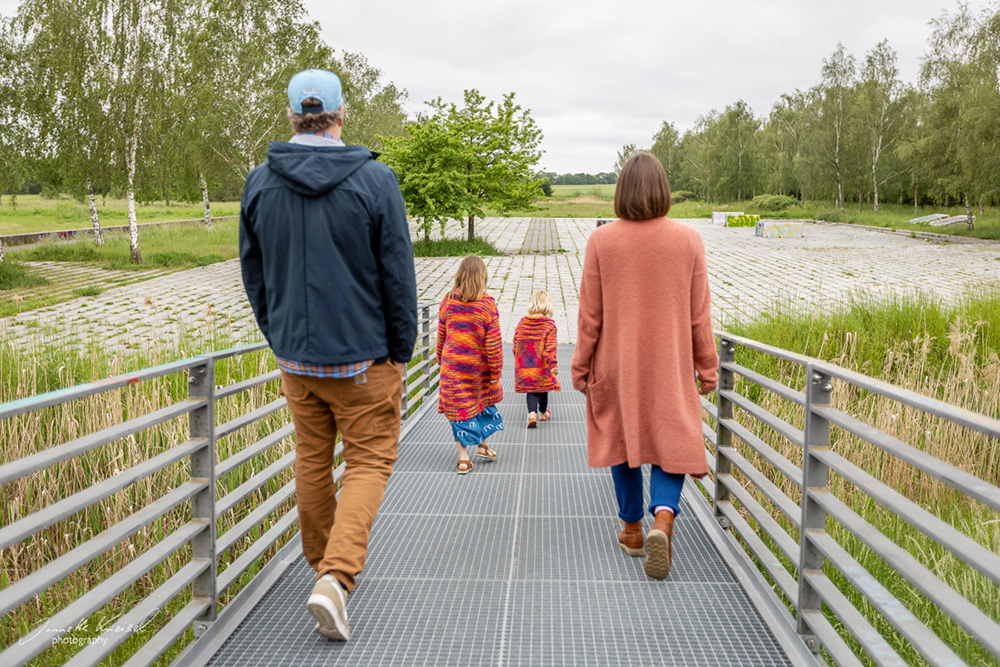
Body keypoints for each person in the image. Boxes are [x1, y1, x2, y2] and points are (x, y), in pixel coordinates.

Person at [239, 68, 417, 641]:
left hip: (298, 361)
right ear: (341, 115)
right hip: (364, 358)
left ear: (293, 116)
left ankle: (323, 572)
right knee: (368, 463)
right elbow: (397, 273)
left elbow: (255, 275)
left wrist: (280, 336)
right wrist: (401, 348)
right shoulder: (374, 180)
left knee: (312, 461)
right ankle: (336, 580)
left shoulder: (260, 183)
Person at [570, 153, 718, 580]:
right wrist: (708, 368)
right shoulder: (689, 241)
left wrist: (580, 366)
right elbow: (699, 317)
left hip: (616, 363)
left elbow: (590, 316)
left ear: (621, 192)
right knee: (675, 438)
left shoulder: (601, 241)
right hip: (670, 364)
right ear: (663, 191)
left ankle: (633, 530)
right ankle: (664, 518)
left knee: (622, 437)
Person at [436, 255, 504, 473]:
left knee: (459, 410)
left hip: (452, 367)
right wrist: (496, 371)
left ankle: (465, 456)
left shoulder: (447, 301)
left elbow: (441, 338)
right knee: (481, 403)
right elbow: (493, 345)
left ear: (460, 275)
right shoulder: (487, 305)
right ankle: (480, 446)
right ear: (482, 277)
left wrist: (441, 361)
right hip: (478, 369)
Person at [513, 290, 561, 427]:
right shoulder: (549, 325)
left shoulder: (522, 323)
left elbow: (516, 343)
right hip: (542, 365)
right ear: (548, 306)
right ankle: (543, 413)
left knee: (531, 389)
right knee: (543, 388)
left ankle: (531, 414)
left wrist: (518, 359)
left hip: (526, 365)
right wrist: (553, 364)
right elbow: (550, 348)